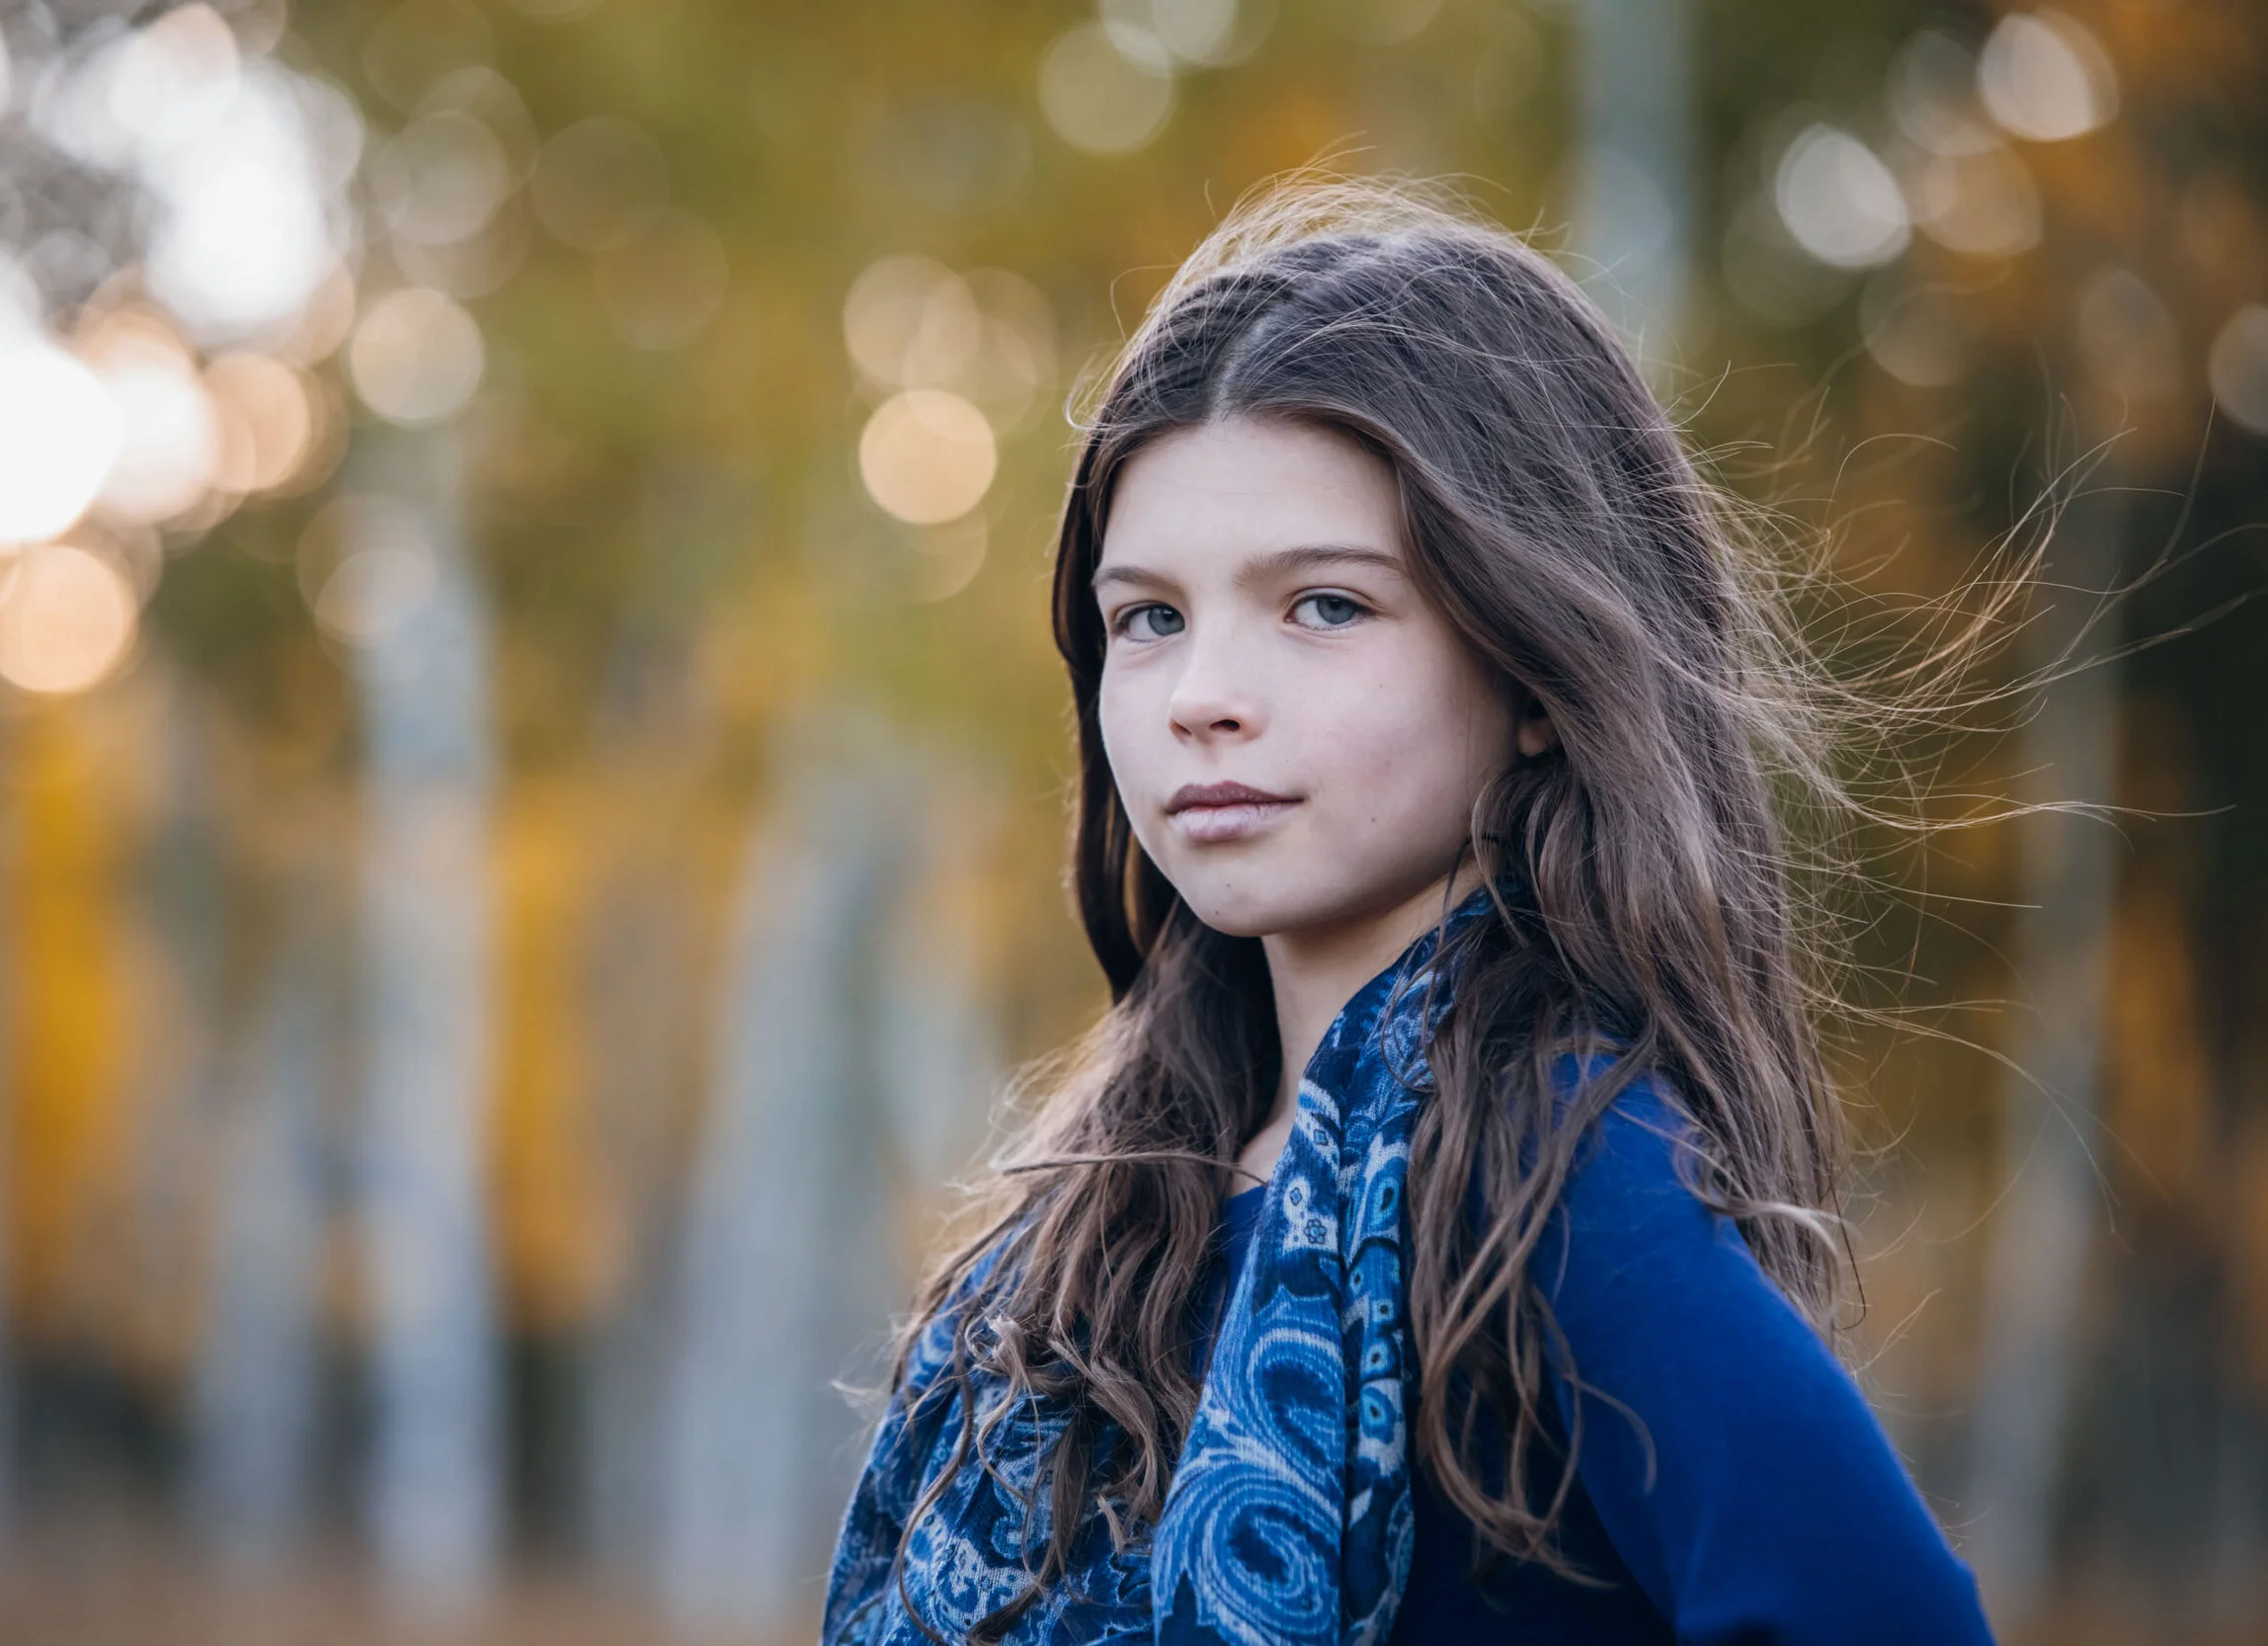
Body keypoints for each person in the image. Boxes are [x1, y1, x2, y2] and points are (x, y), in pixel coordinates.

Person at [819, 175, 2000, 1645]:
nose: (1203, 699)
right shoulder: (1096, 1219)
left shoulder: (1552, 1158)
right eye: (1151, 619)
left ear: (1532, 667)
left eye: (1325, 605)